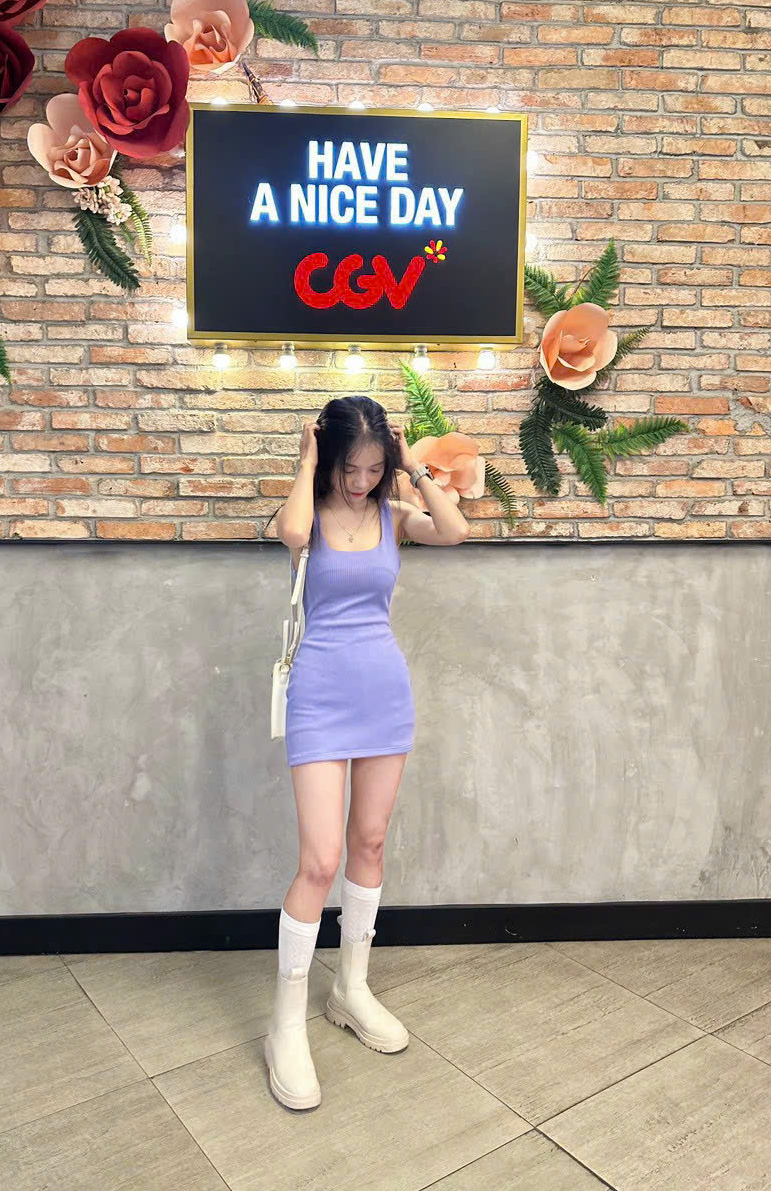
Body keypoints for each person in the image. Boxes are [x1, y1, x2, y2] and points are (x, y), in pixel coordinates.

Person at [263, 395, 470, 1110]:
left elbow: (456, 530)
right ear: (330, 459)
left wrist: (413, 466)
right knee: (319, 861)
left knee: (370, 842)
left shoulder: (395, 515)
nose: (360, 482)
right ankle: (286, 1024)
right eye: (349, 468)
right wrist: (307, 461)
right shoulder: (310, 512)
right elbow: (292, 532)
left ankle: (351, 989)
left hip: (384, 692)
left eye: (373, 469)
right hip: (319, 694)